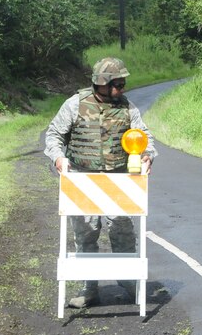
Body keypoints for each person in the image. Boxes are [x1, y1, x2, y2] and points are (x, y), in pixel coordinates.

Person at [44, 57, 157, 309]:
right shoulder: (75, 104)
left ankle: (129, 282)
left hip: (119, 179)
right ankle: (89, 288)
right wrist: (59, 158)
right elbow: (54, 134)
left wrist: (147, 155)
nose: (122, 89)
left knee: (122, 229)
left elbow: (144, 137)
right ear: (101, 84)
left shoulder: (128, 108)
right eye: (117, 84)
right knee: (85, 232)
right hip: (82, 179)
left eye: (123, 84)